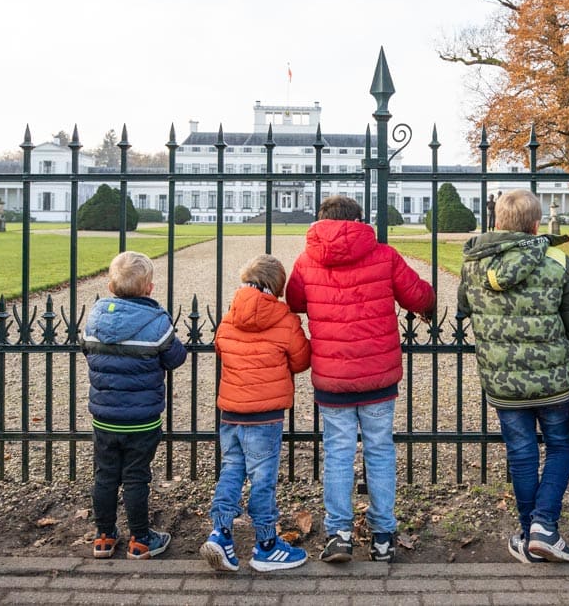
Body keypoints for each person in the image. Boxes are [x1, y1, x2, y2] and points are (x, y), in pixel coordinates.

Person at [285, 195, 435, 563]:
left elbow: (294, 300)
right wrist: (429, 303)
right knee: (380, 450)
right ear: (359, 220)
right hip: (377, 377)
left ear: (321, 221)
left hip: (332, 377)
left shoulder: (307, 259)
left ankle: (339, 533)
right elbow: (418, 296)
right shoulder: (384, 255)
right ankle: (383, 535)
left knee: (337, 453)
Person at [457, 189, 569, 563]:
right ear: (535, 225)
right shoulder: (557, 261)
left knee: (521, 452)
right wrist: (565, 354)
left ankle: (528, 527)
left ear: (498, 222)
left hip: (502, 382)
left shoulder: (474, 264)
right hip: (553, 382)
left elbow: (463, 309)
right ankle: (544, 526)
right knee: (560, 446)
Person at [201, 255, 312, 573]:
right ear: (276, 286)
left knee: (231, 470)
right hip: (265, 416)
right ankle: (266, 545)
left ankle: (220, 533)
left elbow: (220, 347)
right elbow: (301, 361)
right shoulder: (285, 318)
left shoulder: (229, 316)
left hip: (232, 411)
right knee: (263, 480)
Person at [82, 251, 187, 560]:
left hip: (104, 416)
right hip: (142, 419)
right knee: (136, 477)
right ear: (149, 288)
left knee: (104, 476)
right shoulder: (156, 321)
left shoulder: (95, 318)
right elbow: (175, 358)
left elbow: (87, 350)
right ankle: (141, 539)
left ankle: (104, 536)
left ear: (110, 287)